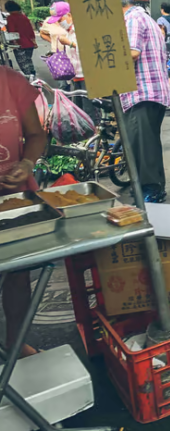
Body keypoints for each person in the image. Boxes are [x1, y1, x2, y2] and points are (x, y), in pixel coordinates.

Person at [0, 65, 48, 357]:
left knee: (17, 275)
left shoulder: (11, 82)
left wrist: (27, 164)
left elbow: (36, 135)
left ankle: (15, 343)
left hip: (14, 199)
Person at [121, 0, 170, 203]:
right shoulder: (147, 18)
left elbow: (132, 52)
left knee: (142, 144)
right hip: (152, 91)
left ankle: (150, 190)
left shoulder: (132, 19)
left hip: (142, 92)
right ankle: (154, 187)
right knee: (148, 142)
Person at [4, 1, 37, 77]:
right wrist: (34, 42)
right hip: (29, 44)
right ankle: (33, 75)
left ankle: (30, 80)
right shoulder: (24, 17)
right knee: (28, 61)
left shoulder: (10, 18)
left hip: (19, 44)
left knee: (23, 64)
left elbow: (12, 32)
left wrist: (14, 42)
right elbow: (30, 30)